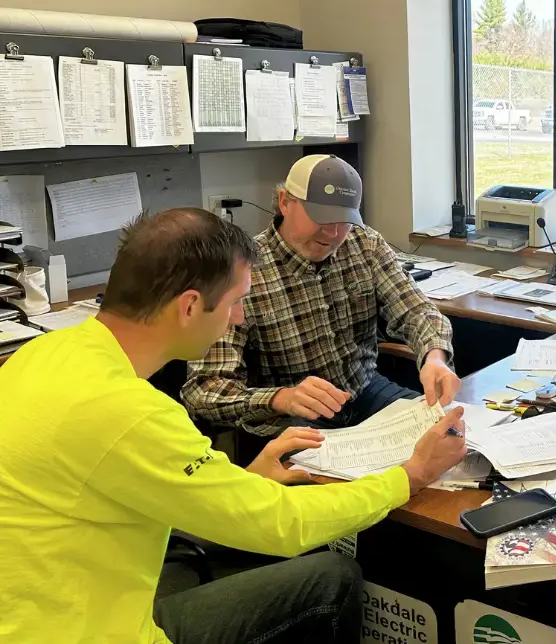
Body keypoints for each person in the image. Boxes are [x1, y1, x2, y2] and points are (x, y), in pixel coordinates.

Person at [0, 209, 467, 643]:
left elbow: (133, 489)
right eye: (236, 301)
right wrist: (411, 475)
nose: (241, 316)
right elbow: (284, 526)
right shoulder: (130, 412)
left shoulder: (41, 354)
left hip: (35, 613)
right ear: (188, 306)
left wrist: (244, 482)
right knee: (332, 578)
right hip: (94, 632)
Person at [182, 154, 459, 439]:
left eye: (344, 220)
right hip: (288, 417)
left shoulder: (365, 245)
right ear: (285, 202)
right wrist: (280, 398)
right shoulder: (242, 270)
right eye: (321, 217)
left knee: (444, 435)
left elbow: (417, 311)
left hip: (364, 391)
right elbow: (204, 390)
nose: (333, 232)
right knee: (358, 478)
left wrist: (434, 357)